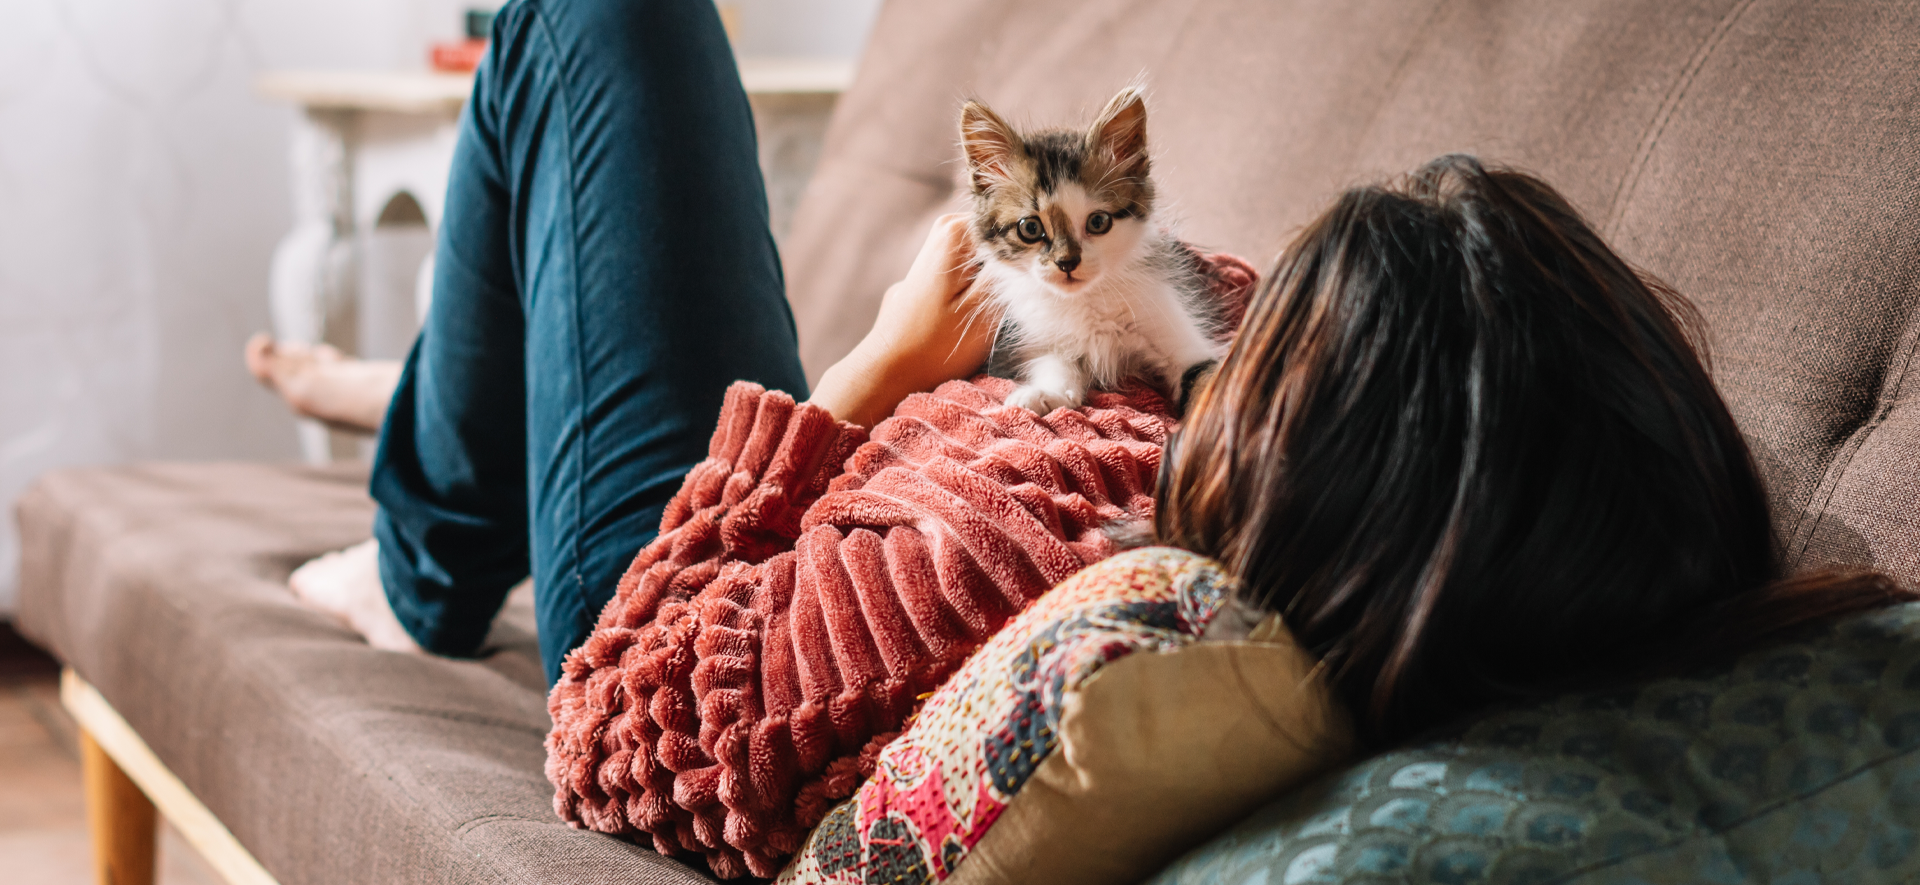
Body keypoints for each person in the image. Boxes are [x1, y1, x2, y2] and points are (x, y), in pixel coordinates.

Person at [251, 0, 1911, 871]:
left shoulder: (1031, 586)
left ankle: (431, 542)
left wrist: (883, 365)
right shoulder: (1454, 535)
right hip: (912, 461)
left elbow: (620, 704)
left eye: (1294, 345)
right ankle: (417, 426)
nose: (1253, 331)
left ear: (1325, 452)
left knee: (589, 15)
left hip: (723, 549)